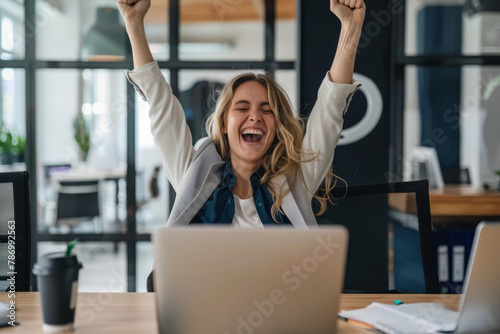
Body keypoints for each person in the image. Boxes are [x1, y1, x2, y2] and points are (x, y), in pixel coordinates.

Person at [118, 0, 364, 288]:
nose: (255, 116)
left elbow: (330, 110)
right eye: (242, 107)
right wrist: (134, 22)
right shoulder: (194, 173)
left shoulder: (296, 180)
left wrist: (351, 26)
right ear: (224, 123)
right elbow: (161, 105)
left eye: (267, 109)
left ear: (277, 126)